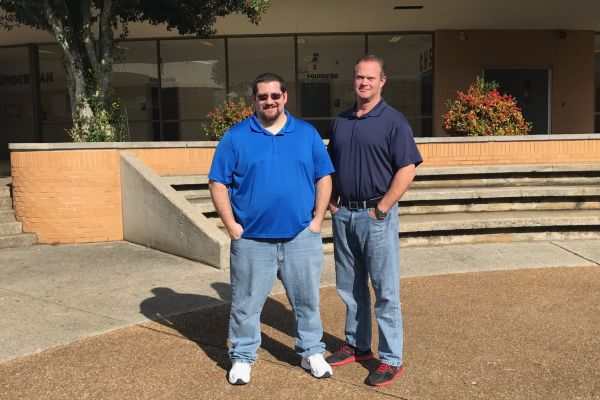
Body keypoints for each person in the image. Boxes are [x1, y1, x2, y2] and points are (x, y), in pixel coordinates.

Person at [208, 72, 335, 385]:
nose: (269, 101)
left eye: (275, 96)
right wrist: (232, 227)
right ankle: (242, 356)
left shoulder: (306, 134)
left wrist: (318, 220)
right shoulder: (236, 136)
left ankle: (310, 351)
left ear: (285, 97)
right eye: (263, 96)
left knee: (307, 301)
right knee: (246, 304)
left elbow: (324, 176)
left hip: (300, 237)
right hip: (252, 240)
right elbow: (217, 181)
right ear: (254, 99)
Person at [326, 55, 423, 387]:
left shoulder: (394, 121)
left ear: (383, 81)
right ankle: (357, 344)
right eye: (359, 77)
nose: (363, 83)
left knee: (384, 290)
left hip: (375, 216)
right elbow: (330, 167)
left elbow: (407, 168)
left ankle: (392, 358)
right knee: (350, 286)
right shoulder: (341, 121)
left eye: (370, 78)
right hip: (344, 215)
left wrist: (382, 208)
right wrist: (331, 204)